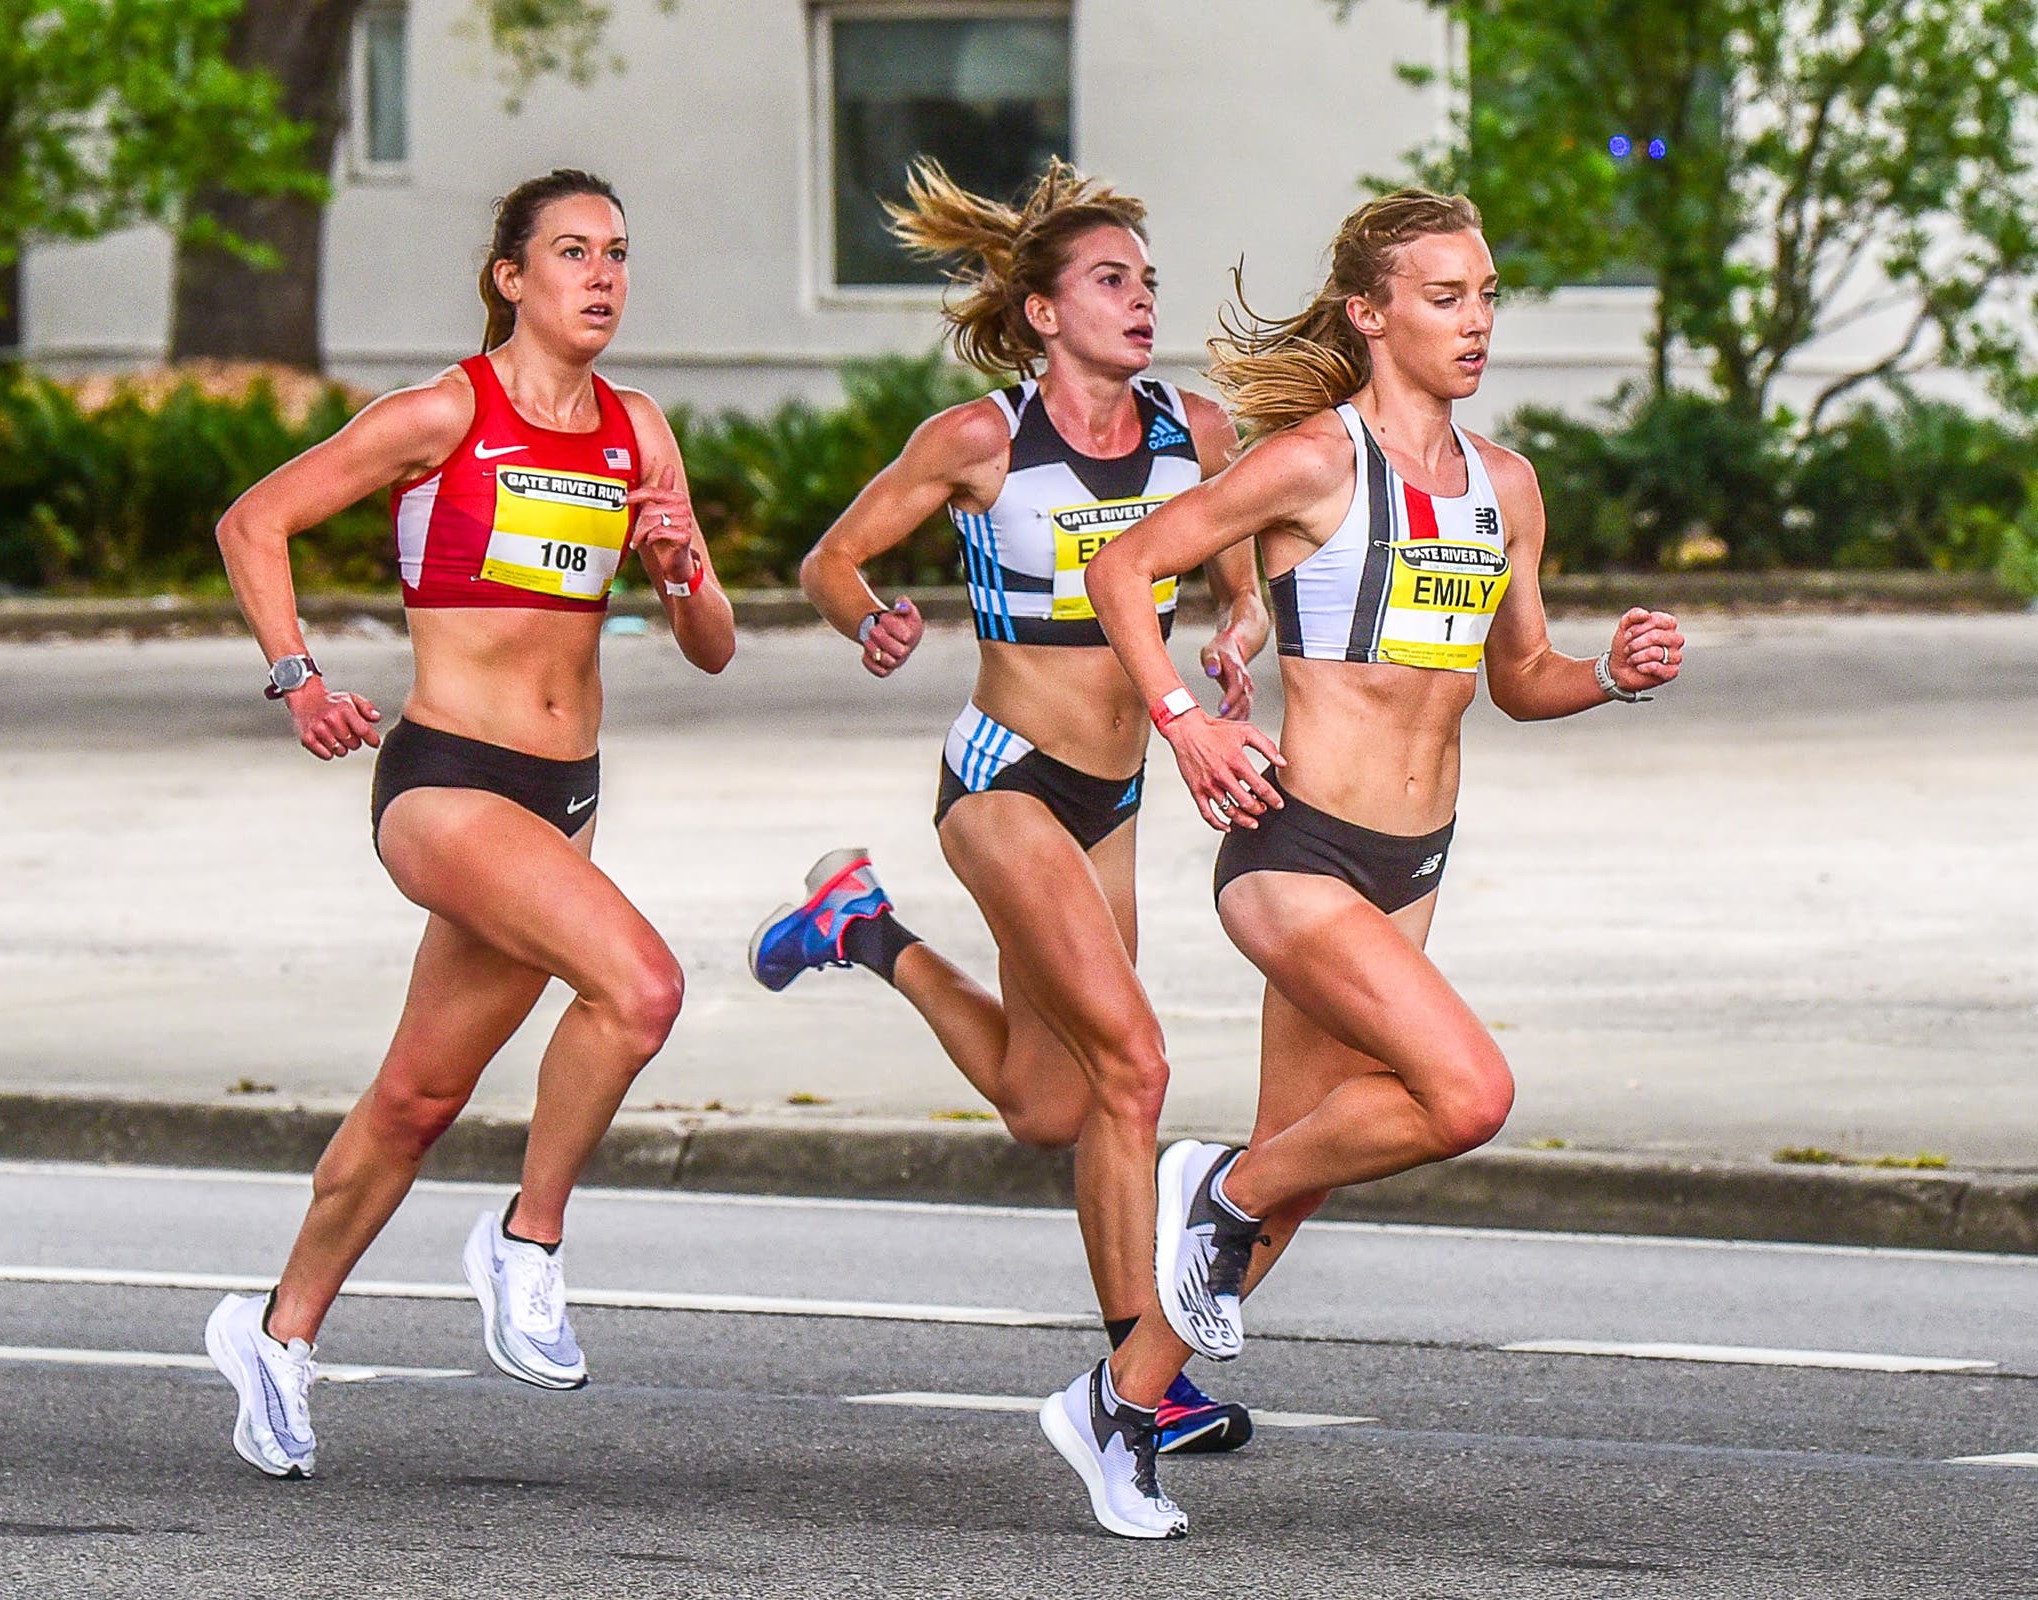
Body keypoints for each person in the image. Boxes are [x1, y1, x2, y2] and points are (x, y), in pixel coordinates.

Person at [1041, 189, 1686, 1538]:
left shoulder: (1506, 486)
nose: (1477, 322)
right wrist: (1187, 724)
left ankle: (1117, 1406)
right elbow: (1124, 575)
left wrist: (1609, 678)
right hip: (1296, 848)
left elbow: (1519, 681)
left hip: (1414, 860)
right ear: (1370, 314)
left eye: (1488, 295)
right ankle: (1207, 1185)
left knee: (1308, 1163)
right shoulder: (1315, 464)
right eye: (1446, 297)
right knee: (1464, 1094)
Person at [203, 169, 735, 1479]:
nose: (603, 276)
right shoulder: (449, 412)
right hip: (445, 783)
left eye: (618, 252)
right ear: (511, 277)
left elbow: (715, 647)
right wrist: (300, 677)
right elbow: (253, 520)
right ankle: (527, 1241)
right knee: (644, 988)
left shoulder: (638, 432)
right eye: (571, 252)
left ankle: (277, 1339)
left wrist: (678, 571)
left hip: (564, 798)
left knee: (419, 1095)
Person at [746, 158, 1272, 1454]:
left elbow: (1240, 572)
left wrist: (1240, 625)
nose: (1140, 301)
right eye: (1109, 281)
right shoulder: (984, 441)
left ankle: (861, 926)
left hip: (1114, 795)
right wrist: (869, 616)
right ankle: (1137, 1385)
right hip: (1002, 783)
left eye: (1148, 282)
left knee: (1052, 1103)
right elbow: (833, 558)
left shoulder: (1196, 432)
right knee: (1133, 1067)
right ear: (1043, 312)